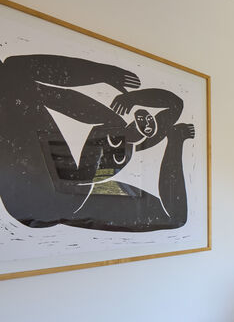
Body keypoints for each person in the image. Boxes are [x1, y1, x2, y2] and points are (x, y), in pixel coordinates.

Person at [0, 53, 194, 231]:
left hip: (48, 197)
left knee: (14, 73)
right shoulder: (113, 127)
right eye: (143, 118)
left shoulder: (119, 139)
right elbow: (62, 99)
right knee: (16, 76)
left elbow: (175, 105)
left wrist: (174, 141)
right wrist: (117, 86)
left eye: (146, 126)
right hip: (47, 194)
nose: (144, 121)